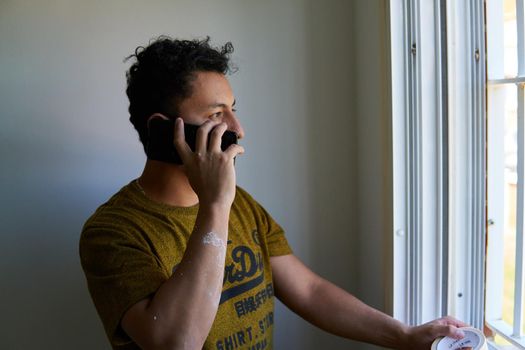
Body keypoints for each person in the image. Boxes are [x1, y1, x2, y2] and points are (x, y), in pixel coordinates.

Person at [79, 36, 468, 350]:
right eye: (217, 115)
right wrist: (214, 206)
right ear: (165, 131)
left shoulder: (241, 204)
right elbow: (176, 343)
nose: (238, 128)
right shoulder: (113, 232)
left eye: (232, 110)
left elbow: (310, 292)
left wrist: (402, 336)